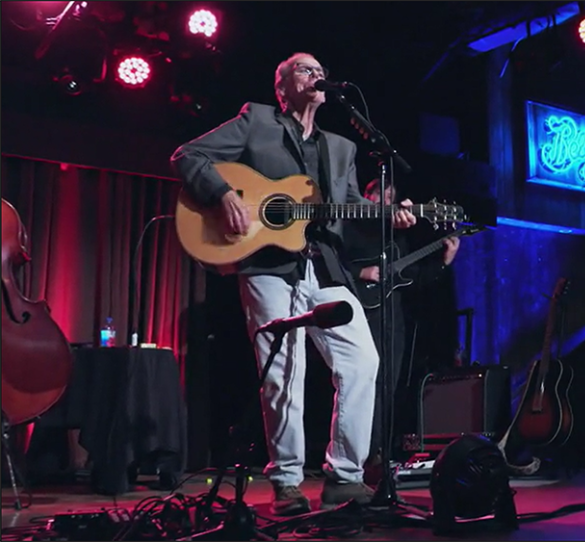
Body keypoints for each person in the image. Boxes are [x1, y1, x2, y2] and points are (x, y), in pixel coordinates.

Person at [170, 52, 418, 516]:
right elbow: (188, 155)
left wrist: (390, 216)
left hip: (323, 266)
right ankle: (286, 481)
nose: (316, 75)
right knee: (285, 371)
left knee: (363, 361)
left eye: (320, 71)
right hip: (267, 264)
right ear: (282, 87)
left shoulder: (341, 148)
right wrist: (222, 194)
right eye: (305, 69)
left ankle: (345, 476)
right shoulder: (256, 121)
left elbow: (348, 207)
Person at [342, 180, 460, 470]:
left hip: (391, 317)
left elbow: (412, 278)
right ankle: (353, 455)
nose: (387, 202)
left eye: (391, 198)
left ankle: (377, 452)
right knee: (361, 383)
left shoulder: (397, 238)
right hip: (358, 312)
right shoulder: (351, 227)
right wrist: (361, 272)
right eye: (380, 196)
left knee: (388, 385)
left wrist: (444, 263)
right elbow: (327, 262)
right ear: (365, 197)